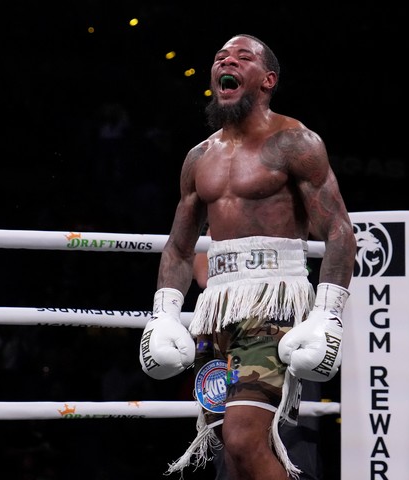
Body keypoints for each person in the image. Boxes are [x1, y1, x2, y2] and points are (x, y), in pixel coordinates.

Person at [138, 33, 356, 480]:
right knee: (229, 448)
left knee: (244, 438)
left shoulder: (295, 142)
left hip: (273, 304)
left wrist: (328, 314)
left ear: (267, 79)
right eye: (219, 57)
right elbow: (180, 246)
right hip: (218, 308)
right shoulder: (199, 157)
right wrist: (162, 314)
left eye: (241, 56)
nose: (225, 61)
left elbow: (338, 228)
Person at [193, 229, 325, 480]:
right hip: (225, 325)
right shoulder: (217, 210)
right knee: (232, 450)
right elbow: (202, 274)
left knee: (288, 448)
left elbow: (332, 231)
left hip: (281, 320)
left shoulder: (286, 201)